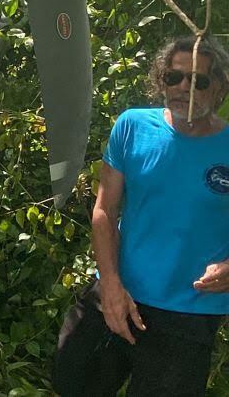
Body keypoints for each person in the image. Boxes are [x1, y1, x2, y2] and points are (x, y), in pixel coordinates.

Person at [52, 35, 229, 396]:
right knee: (71, 382)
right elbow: (104, 209)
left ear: (220, 88)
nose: (184, 88)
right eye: (173, 77)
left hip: (188, 313)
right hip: (119, 293)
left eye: (199, 80)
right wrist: (111, 286)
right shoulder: (132, 126)